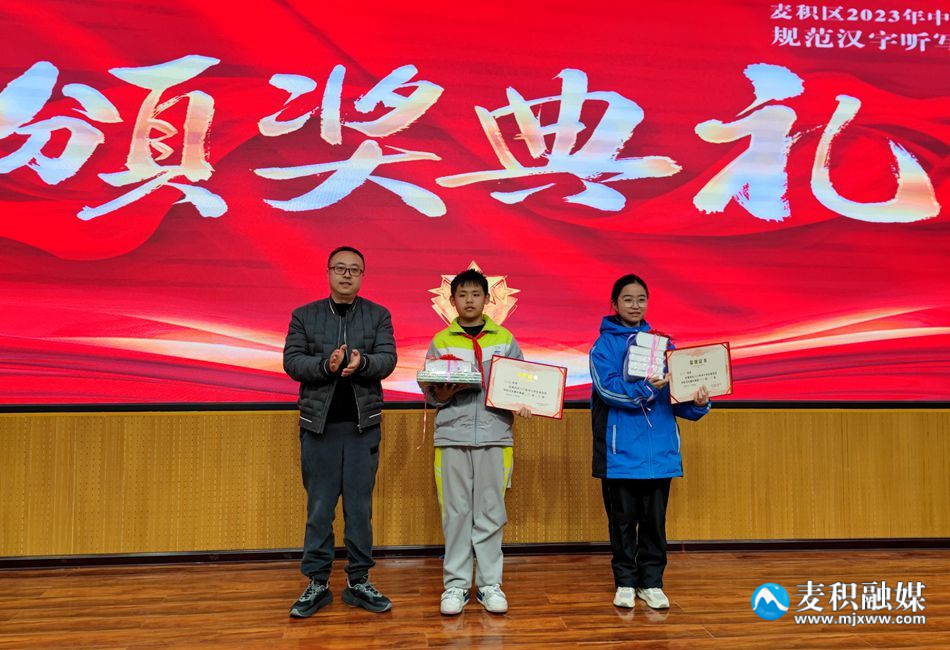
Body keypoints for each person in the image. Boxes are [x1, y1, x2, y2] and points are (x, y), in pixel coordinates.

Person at [283, 246, 397, 617]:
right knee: (319, 509)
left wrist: (362, 362)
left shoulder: (378, 315)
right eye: (340, 268)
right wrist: (326, 365)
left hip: (363, 428)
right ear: (328, 272)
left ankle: (358, 581)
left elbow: (388, 359)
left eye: (354, 270)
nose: (347, 275)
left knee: (359, 510)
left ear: (362, 276)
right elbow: (292, 361)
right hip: (320, 429)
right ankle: (317, 583)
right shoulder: (304, 315)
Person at [589, 273, 710, 610]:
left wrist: (698, 402)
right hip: (620, 453)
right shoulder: (603, 346)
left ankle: (652, 582)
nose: (635, 305)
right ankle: (625, 582)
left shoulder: (664, 346)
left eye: (641, 299)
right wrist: (645, 388)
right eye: (627, 299)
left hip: (660, 452)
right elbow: (608, 390)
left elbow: (677, 396)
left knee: (655, 523)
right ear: (614, 304)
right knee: (623, 523)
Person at [424, 269, 531, 616]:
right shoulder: (441, 341)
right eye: (462, 294)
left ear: (487, 299)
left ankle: (488, 585)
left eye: (475, 294)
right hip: (451, 437)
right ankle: (455, 586)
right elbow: (431, 393)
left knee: (490, 513)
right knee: (456, 514)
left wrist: (525, 400)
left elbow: (521, 382)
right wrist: (442, 393)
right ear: (452, 301)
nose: (469, 300)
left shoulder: (505, 338)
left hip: (494, 436)